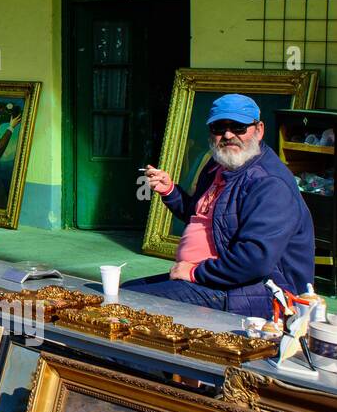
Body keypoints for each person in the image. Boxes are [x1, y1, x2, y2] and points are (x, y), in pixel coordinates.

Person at [128, 94, 315, 318]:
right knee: (121, 293)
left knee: (129, 306)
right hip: (213, 278)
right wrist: (170, 191)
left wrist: (195, 272)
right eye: (219, 128)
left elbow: (254, 260)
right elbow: (207, 219)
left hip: (258, 292)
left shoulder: (269, 183)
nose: (228, 135)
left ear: (259, 129)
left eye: (238, 127)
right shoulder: (219, 164)